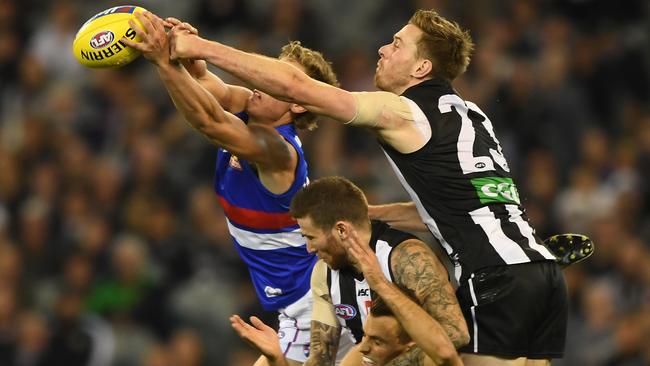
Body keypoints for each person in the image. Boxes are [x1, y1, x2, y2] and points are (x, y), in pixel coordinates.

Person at [167, 9, 568, 365]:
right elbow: (455, 209)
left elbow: (296, 88)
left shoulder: (403, 111)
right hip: (540, 272)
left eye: (397, 45)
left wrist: (198, 45)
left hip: (493, 276)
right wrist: (365, 214)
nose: (382, 49)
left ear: (421, 69)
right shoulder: (472, 115)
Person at [121, 12, 352, 365]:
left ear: (297, 102)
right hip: (298, 303)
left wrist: (163, 65)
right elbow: (211, 87)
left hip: (313, 303)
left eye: (277, 78)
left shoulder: (279, 152)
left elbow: (210, 121)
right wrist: (183, 58)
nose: (261, 79)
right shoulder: (253, 107)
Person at [231, 176, 468, 366]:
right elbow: (320, 361)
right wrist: (277, 359)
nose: (309, 248)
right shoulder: (323, 273)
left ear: (341, 229)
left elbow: (455, 335)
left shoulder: (406, 258)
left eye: (311, 237)